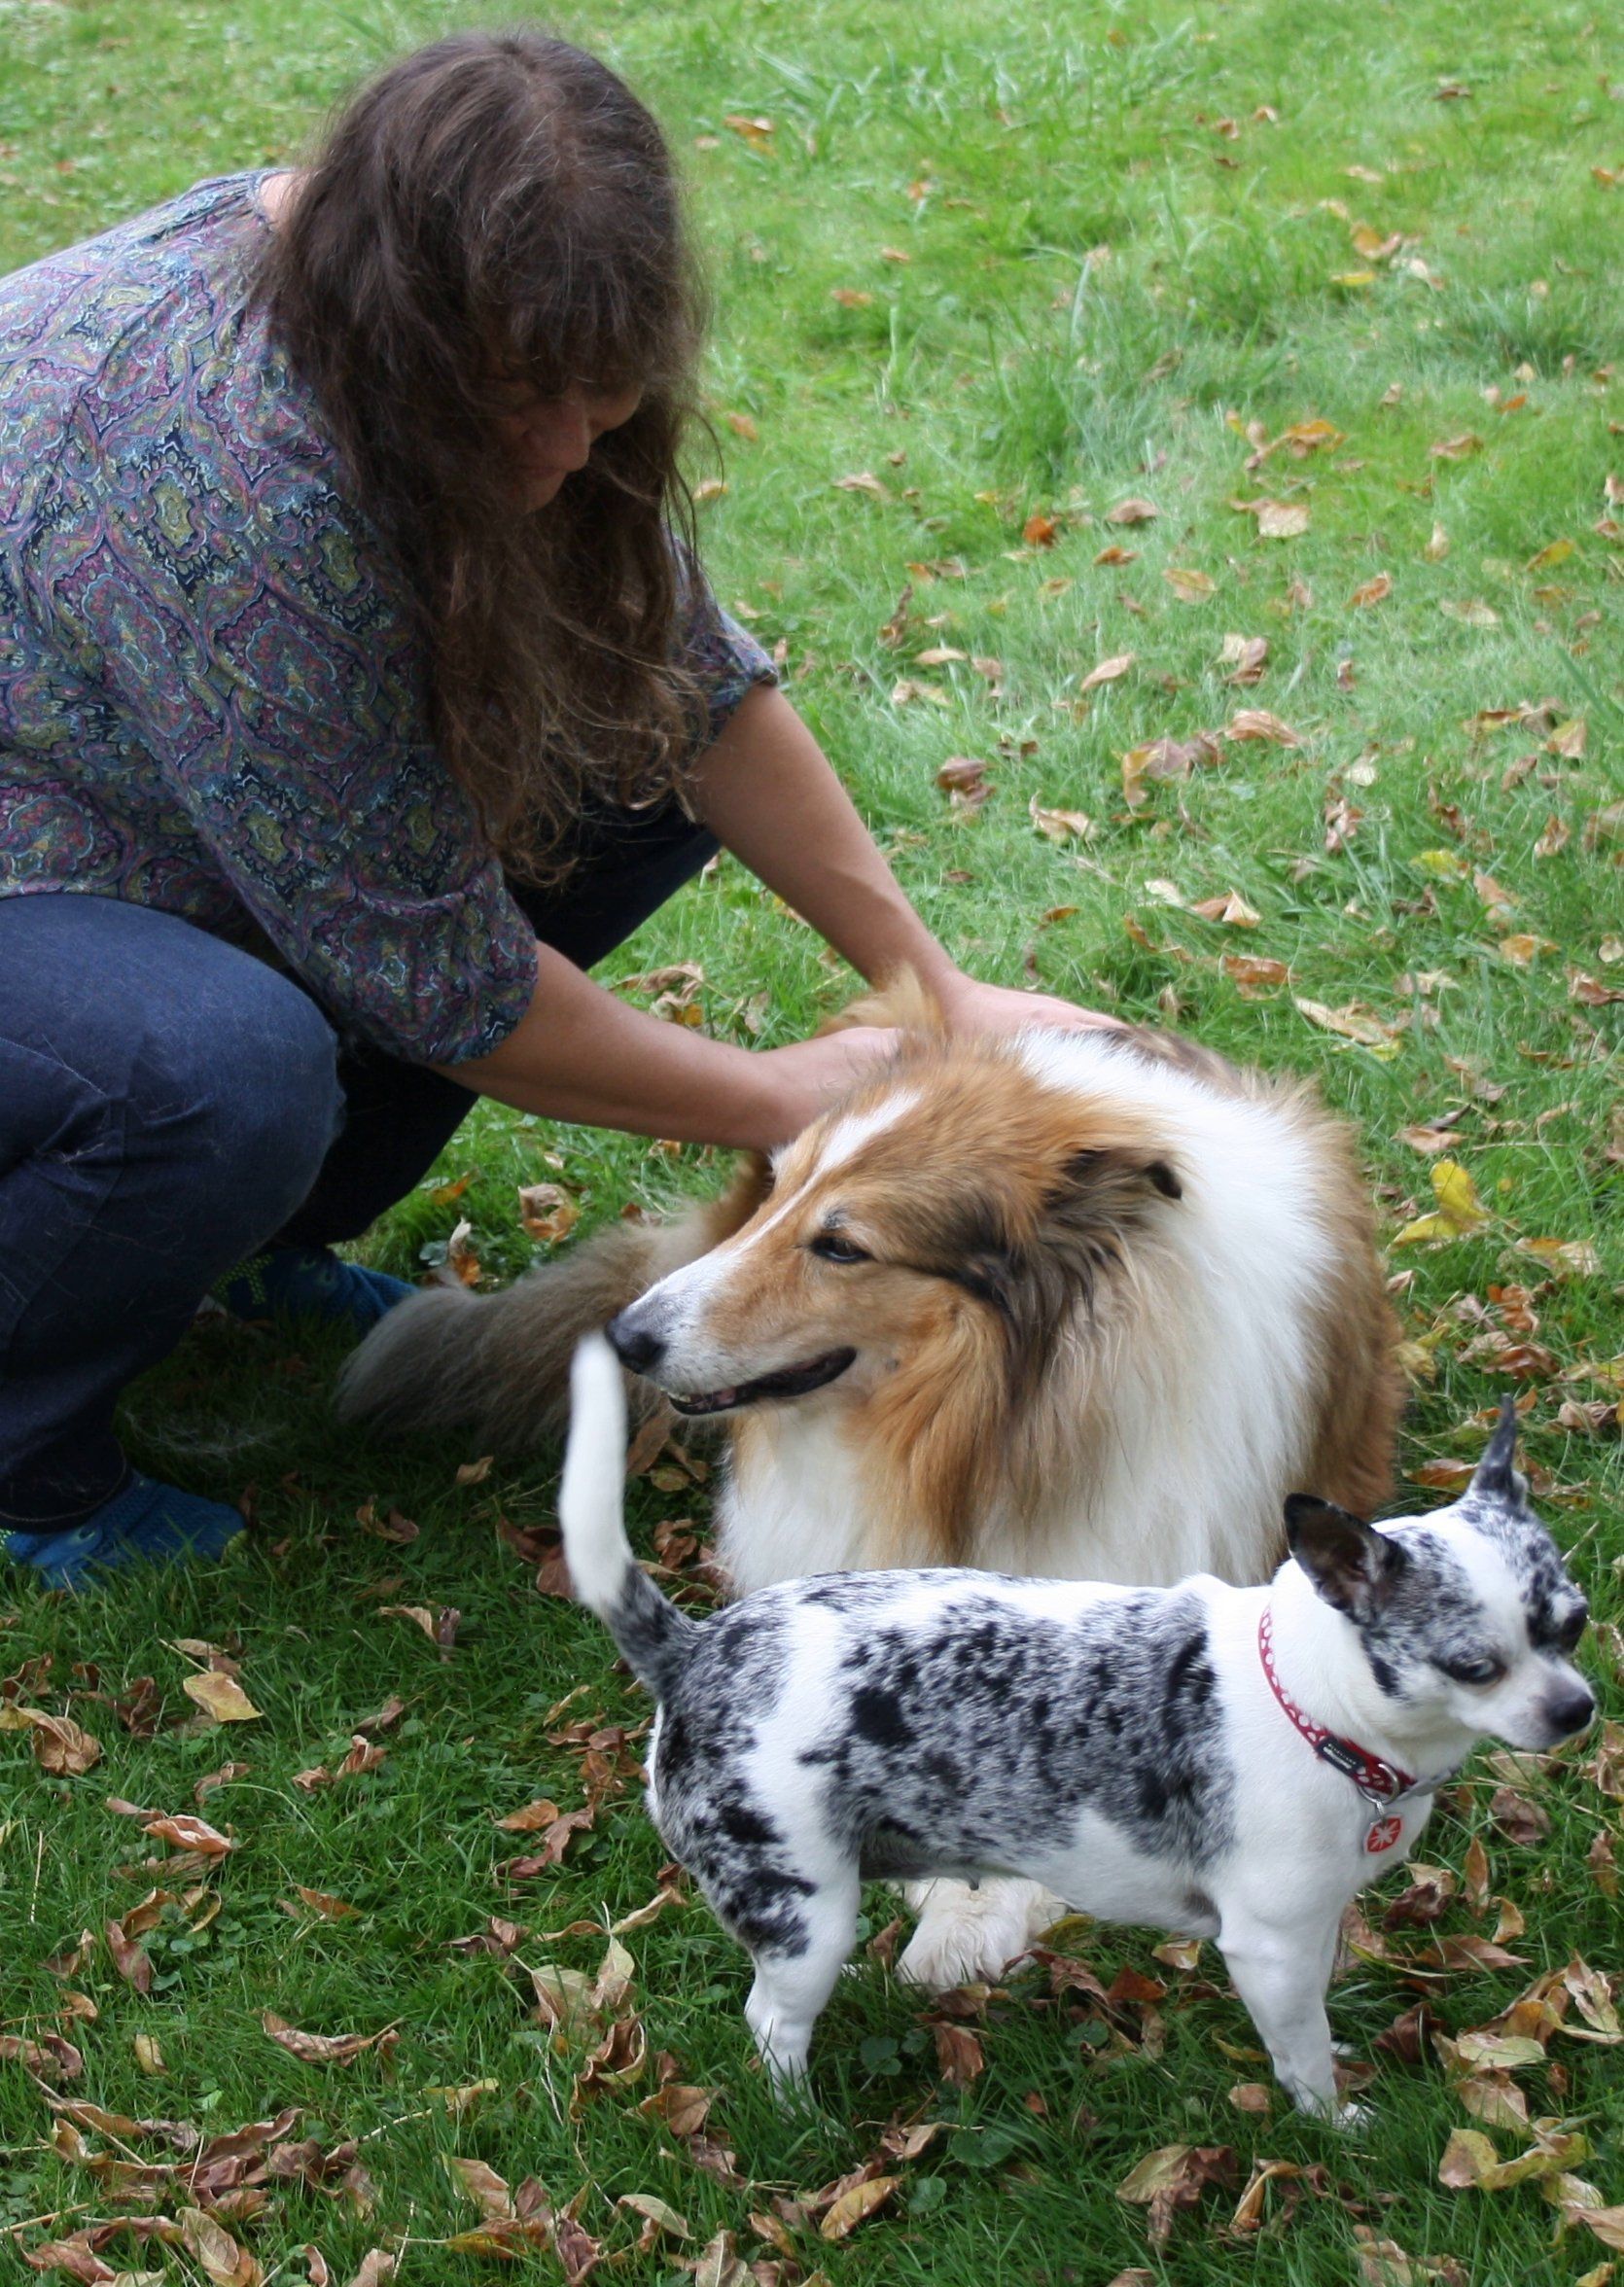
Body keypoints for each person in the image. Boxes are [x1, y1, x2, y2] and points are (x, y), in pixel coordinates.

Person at [0, 29, 1113, 1589]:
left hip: (142, 775)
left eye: (602, 400)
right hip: (25, 856)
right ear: (396, 327)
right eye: (518, 402)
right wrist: (782, 1105)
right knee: (212, 1071)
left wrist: (931, 987)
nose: (556, 453)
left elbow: (688, 682)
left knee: (619, 759)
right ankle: (29, 1459)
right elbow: (434, 980)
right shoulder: (225, 472)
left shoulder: (467, 341)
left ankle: (249, 1245)